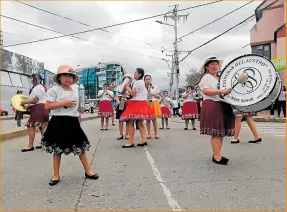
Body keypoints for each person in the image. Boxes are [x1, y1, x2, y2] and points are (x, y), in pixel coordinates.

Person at [41, 65, 99, 186]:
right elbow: (47, 106)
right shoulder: (54, 90)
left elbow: (81, 104)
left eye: (70, 76)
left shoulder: (77, 89)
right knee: (57, 150)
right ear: (59, 77)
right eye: (65, 75)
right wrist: (63, 103)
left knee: (81, 148)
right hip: (58, 121)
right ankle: (56, 175)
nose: (68, 78)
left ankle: (88, 171)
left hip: (73, 122)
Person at [199, 56, 235, 165]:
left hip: (222, 104)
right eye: (212, 64)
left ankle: (217, 153)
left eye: (216, 64)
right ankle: (216, 156)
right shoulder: (207, 77)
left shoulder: (220, 78)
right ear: (207, 67)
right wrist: (221, 91)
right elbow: (206, 91)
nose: (215, 66)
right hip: (212, 104)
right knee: (216, 132)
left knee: (220, 132)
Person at [120, 68, 155, 148]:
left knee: (130, 122)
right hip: (142, 103)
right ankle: (144, 140)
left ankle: (130, 142)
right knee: (139, 123)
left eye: (135, 72)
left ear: (139, 74)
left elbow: (133, 93)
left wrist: (126, 87)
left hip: (136, 103)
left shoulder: (137, 83)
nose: (134, 74)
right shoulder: (142, 83)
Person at [20, 74, 49, 152]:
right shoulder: (39, 88)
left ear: (39, 79)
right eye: (32, 78)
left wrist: (24, 102)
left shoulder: (38, 88)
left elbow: (35, 100)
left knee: (30, 126)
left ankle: (30, 146)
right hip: (43, 108)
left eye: (35, 78)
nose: (33, 80)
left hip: (39, 108)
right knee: (42, 126)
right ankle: (45, 144)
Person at [145, 75, 161, 139]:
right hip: (146, 103)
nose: (148, 80)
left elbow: (159, 96)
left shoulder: (155, 87)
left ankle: (156, 133)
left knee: (154, 119)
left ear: (151, 80)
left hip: (154, 103)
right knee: (147, 120)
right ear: (144, 80)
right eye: (146, 79)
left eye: (149, 79)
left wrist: (153, 95)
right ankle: (148, 133)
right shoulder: (143, 87)